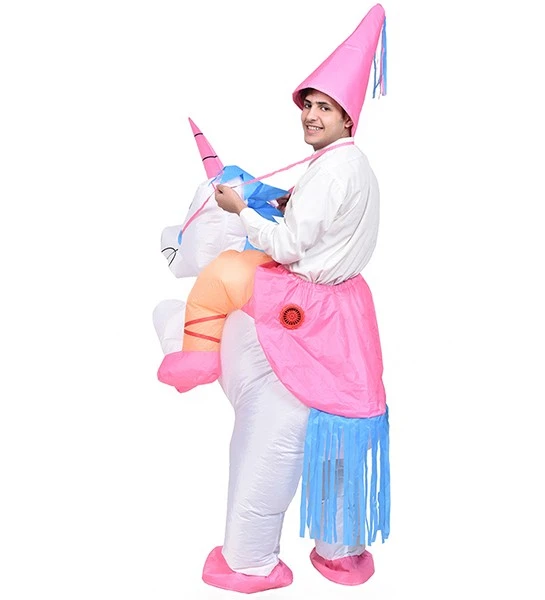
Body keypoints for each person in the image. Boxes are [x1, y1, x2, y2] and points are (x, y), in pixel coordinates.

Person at [160, 4, 390, 593]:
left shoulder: (332, 170)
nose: (311, 115)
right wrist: (290, 202)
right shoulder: (348, 165)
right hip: (345, 312)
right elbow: (323, 220)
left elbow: (287, 246)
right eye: (308, 105)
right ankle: (341, 550)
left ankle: (248, 558)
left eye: (324, 108)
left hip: (304, 300)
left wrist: (242, 211)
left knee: (225, 274)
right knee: (338, 439)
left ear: (348, 116)